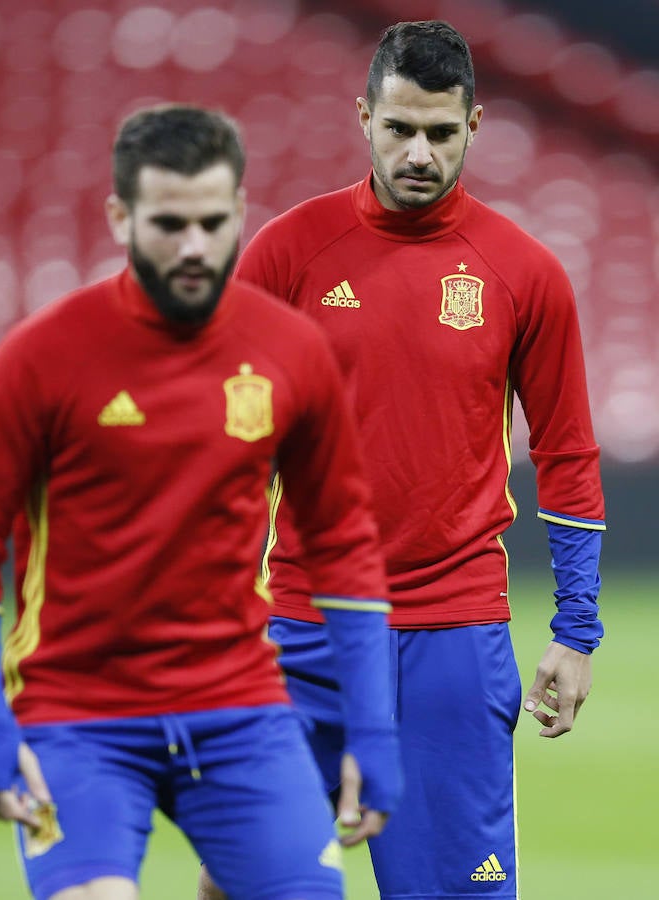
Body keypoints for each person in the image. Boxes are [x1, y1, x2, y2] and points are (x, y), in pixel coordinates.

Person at [0, 104, 404, 900]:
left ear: (240, 211)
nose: (194, 246)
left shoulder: (290, 350)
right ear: (121, 216)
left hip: (239, 707)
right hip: (75, 714)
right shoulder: (40, 357)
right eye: (169, 224)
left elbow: (342, 543)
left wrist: (373, 731)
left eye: (213, 223)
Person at [197, 19, 605, 900]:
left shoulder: (524, 273)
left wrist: (576, 632)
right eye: (399, 128)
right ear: (364, 118)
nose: (419, 152)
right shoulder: (287, 254)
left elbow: (567, 453)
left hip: (451, 636)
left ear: (475, 125)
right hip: (303, 625)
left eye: (441, 132)